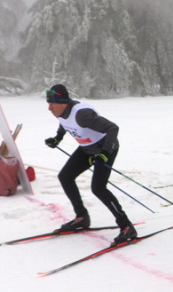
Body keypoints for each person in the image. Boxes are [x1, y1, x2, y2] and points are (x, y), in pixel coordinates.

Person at [44, 84, 137, 245]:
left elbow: (113, 128)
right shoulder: (60, 113)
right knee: (65, 176)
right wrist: (58, 138)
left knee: (98, 188)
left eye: (52, 103)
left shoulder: (82, 114)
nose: (49, 108)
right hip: (86, 148)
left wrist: (105, 153)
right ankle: (82, 218)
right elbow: (64, 123)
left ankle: (127, 227)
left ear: (63, 102)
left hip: (105, 147)